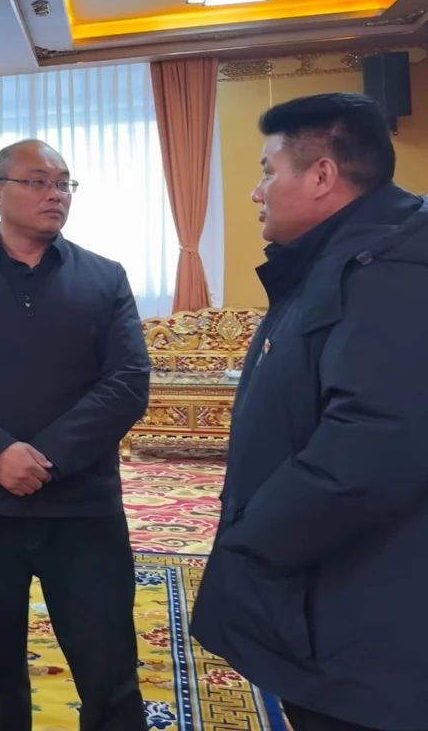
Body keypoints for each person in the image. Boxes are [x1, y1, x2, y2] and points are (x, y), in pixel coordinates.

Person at [190, 94, 428, 731]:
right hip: (334, 595)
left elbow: (371, 448)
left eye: (268, 171)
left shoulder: (393, 271)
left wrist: (252, 540)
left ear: (321, 175)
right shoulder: (342, 257)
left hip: (368, 627)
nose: (257, 192)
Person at [0, 140, 151, 731]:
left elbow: (128, 382)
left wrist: (48, 458)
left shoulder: (103, 277)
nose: (55, 194)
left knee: (109, 670)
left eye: (64, 183)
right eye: (38, 181)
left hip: (83, 507)